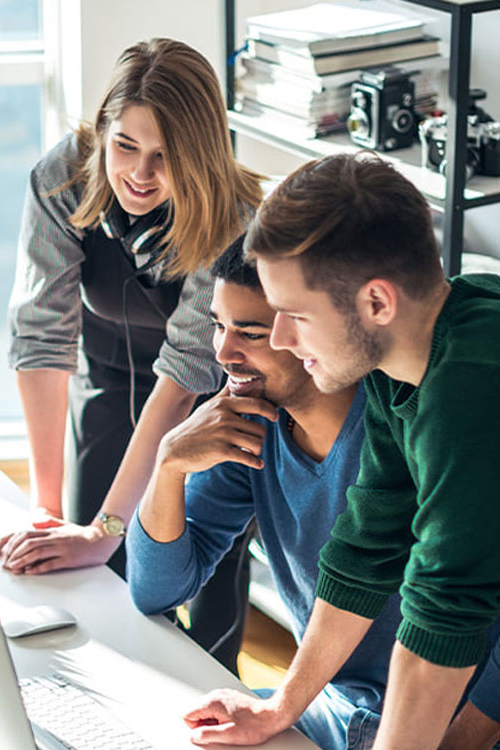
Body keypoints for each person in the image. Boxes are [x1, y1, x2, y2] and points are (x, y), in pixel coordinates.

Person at [182, 153, 500, 750]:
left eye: (295, 316)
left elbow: (443, 611)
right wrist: (280, 707)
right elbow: (366, 547)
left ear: (377, 303)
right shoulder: (398, 361)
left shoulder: (471, 384)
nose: (279, 338)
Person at [0, 38, 263, 580]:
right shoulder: (61, 180)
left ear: (199, 154)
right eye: (125, 146)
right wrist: (46, 513)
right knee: (87, 563)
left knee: (195, 566)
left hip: (207, 394)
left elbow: (185, 370)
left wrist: (105, 530)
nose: (140, 174)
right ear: (102, 132)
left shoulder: (232, 216)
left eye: (165, 156)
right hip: (108, 372)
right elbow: (41, 336)